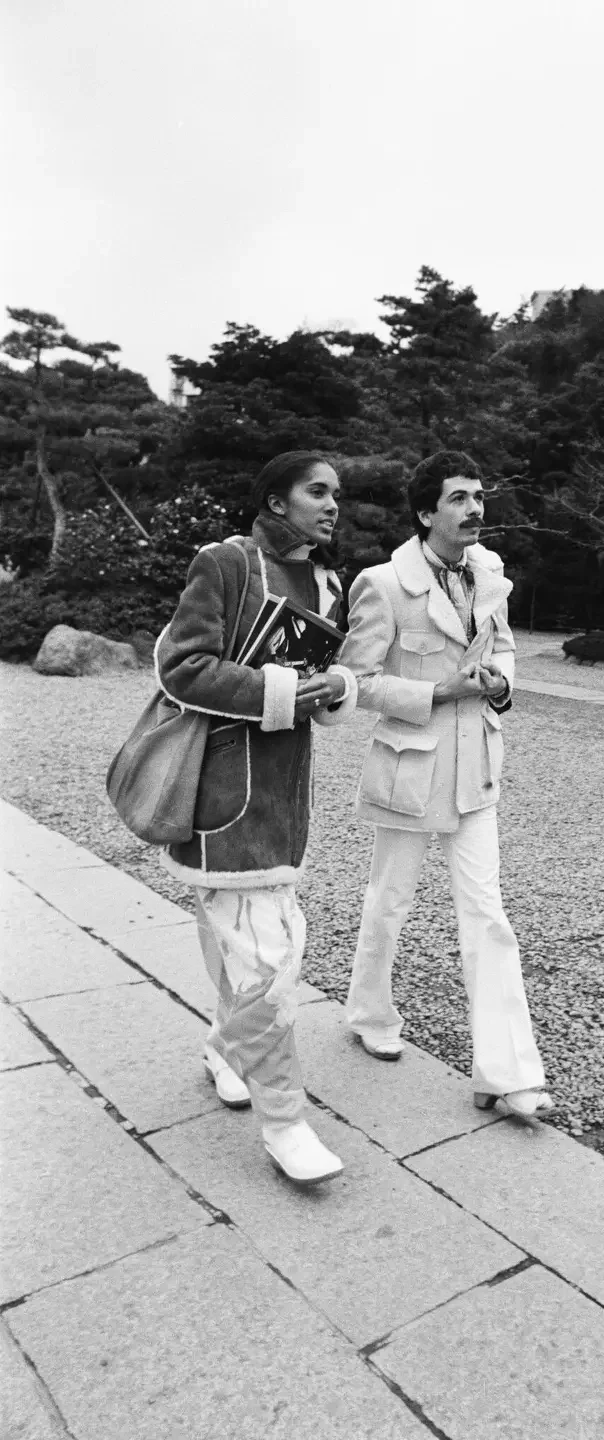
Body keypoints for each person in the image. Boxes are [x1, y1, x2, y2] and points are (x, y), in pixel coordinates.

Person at [156, 452, 357, 1182]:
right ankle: (286, 1122)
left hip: (287, 797)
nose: (332, 504)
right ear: (276, 500)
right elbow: (181, 666)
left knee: (246, 947)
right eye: (317, 490)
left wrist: (335, 688)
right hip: (223, 793)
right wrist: (278, 690)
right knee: (269, 960)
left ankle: (223, 1047)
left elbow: (324, 679)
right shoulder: (227, 563)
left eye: (336, 493)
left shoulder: (326, 580)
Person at [339, 450, 552, 1122]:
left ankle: (508, 1073)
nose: (475, 510)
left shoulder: (488, 574)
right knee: (389, 901)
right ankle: (370, 1013)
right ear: (426, 511)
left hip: (478, 772)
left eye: (479, 496)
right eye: (459, 498)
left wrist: (501, 683)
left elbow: (506, 646)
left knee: (488, 917)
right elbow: (356, 682)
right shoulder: (382, 583)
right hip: (411, 771)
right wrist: (437, 690)